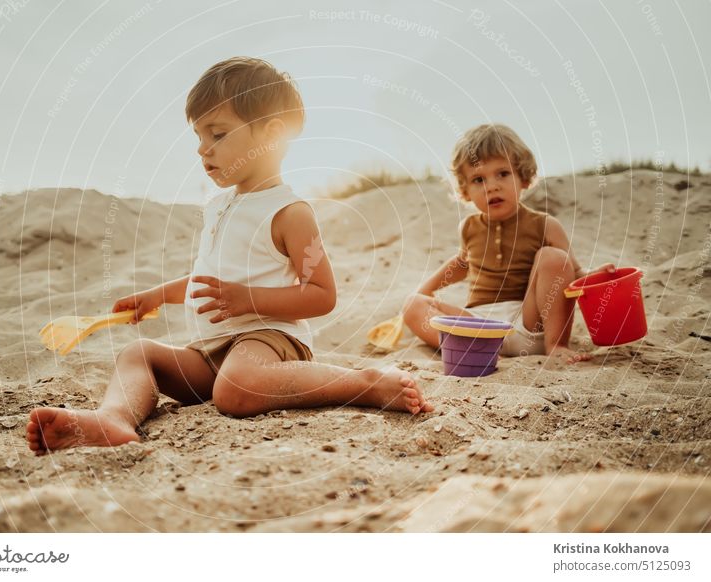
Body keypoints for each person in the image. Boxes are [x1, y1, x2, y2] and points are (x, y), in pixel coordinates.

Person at [27, 57, 432, 455]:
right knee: (139, 353)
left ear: (272, 135)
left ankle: (366, 382)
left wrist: (248, 299)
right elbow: (213, 280)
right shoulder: (219, 206)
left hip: (269, 340)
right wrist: (156, 295)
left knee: (236, 390)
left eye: (217, 134)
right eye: (199, 137)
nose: (203, 150)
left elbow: (322, 294)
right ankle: (114, 417)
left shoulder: (289, 213)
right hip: (210, 351)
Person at [402, 124, 613, 364]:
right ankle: (472, 349)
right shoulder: (469, 228)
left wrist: (596, 277)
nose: (492, 186)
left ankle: (557, 345)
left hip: (528, 322)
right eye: (479, 179)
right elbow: (462, 263)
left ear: (523, 177)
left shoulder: (544, 224)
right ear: (466, 191)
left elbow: (572, 273)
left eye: (502, 173)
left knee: (553, 257)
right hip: (479, 326)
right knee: (412, 306)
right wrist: (422, 293)